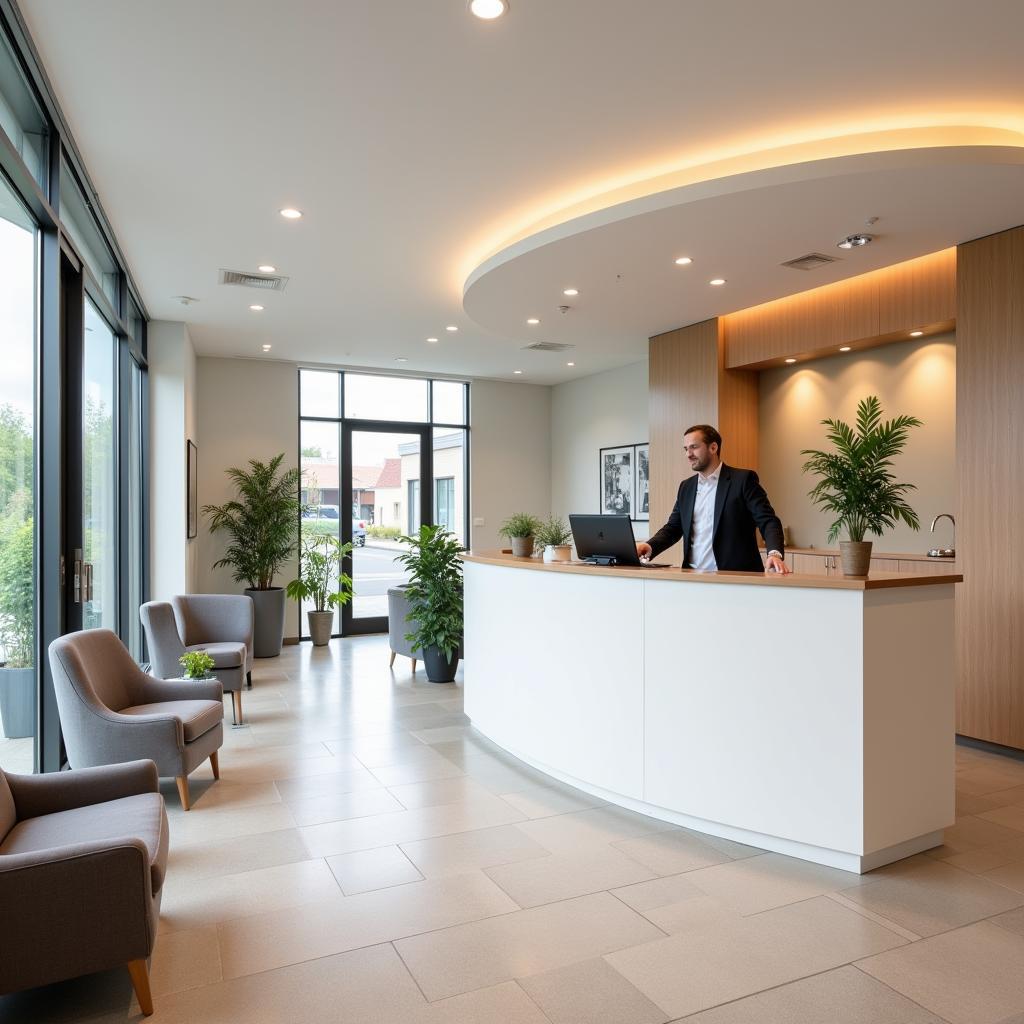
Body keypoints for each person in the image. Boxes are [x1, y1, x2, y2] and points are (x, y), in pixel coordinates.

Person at [636, 424, 790, 574]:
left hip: (737, 578)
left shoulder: (743, 480)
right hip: (693, 576)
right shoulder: (686, 487)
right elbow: (673, 528)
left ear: (713, 448)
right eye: (686, 449)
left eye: (694, 447)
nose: (688, 454)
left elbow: (768, 520)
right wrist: (649, 546)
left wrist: (774, 553)